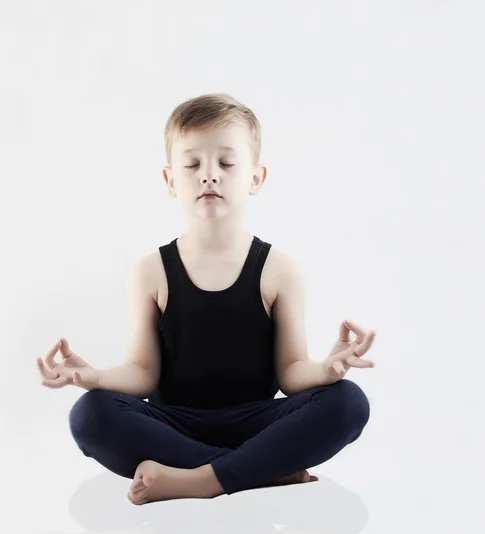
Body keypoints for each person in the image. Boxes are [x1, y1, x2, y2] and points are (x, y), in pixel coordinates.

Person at [36, 93, 377, 506]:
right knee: (90, 414)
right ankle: (260, 471)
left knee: (348, 402)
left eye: (227, 164)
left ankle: (197, 481)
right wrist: (94, 377)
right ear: (170, 180)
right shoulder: (150, 272)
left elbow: (290, 373)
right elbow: (143, 375)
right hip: (174, 426)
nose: (208, 176)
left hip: (258, 422)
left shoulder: (279, 270)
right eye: (193, 164)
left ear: (256, 177)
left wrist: (326, 369)